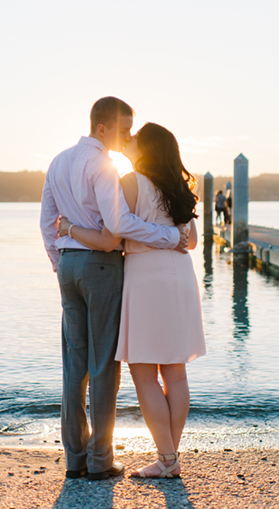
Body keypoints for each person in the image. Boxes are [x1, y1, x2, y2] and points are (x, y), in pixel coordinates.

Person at [39, 97, 187, 482]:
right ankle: (100, 460)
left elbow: (46, 223)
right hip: (101, 267)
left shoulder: (58, 161)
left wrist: (61, 263)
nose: (127, 137)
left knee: (74, 365)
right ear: (102, 128)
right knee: (104, 364)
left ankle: (75, 459)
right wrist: (169, 236)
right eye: (123, 130)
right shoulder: (102, 165)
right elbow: (118, 227)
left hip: (69, 265)